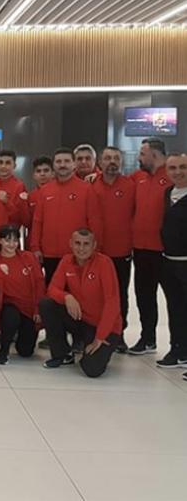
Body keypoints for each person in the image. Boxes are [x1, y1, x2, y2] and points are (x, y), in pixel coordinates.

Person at [38, 229, 121, 377]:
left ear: (94, 245)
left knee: (92, 370)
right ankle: (62, 354)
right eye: (77, 243)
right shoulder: (66, 261)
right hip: (81, 319)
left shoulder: (104, 263)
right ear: (70, 243)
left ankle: (94, 351)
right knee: (47, 304)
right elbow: (52, 289)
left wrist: (100, 337)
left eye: (86, 244)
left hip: (104, 328)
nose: (81, 248)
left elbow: (112, 303)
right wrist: (67, 297)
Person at [30, 147, 103, 284]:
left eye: (67, 161)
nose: (62, 165)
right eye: (58, 162)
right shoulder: (45, 191)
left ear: (74, 164)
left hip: (77, 254)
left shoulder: (86, 189)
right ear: (54, 165)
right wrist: (35, 247)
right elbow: (37, 221)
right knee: (52, 291)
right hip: (49, 254)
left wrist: (94, 248)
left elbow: (94, 221)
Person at [129, 138, 171, 355]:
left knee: (174, 299)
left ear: (154, 155)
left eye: (142, 154)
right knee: (144, 296)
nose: (139, 158)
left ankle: (179, 345)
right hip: (141, 249)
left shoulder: (172, 177)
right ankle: (147, 339)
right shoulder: (138, 178)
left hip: (165, 251)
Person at [91, 146, 135, 352]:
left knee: (119, 295)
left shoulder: (130, 186)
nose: (112, 162)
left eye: (116, 158)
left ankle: (119, 334)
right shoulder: (91, 185)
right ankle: (93, 332)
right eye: (108, 158)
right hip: (95, 252)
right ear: (100, 162)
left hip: (121, 251)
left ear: (121, 162)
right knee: (94, 294)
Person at [0, 225, 45, 364]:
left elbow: (40, 283)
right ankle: (4, 350)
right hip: (10, 307)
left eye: (15, 240)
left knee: (26, 351)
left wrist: (37, 309)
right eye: (7, 240)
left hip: (28, 308)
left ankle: (19, 336)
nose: (11, 244)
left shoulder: (28, 258)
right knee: (10, 315)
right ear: (0, 240)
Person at [158, 153, 187, 371]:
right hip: (169, 262)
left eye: (183, 167)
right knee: (175, 308)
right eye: (173, 168)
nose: (178, 172)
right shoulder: (168, 193)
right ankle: (178, 350)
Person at [0, 150, 26, 253]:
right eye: (1, 162)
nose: (3, 166)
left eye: (7, 163)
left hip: (9, 243)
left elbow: (22, 218)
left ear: (14, 166)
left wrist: (7, 203)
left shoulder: (19, 186)